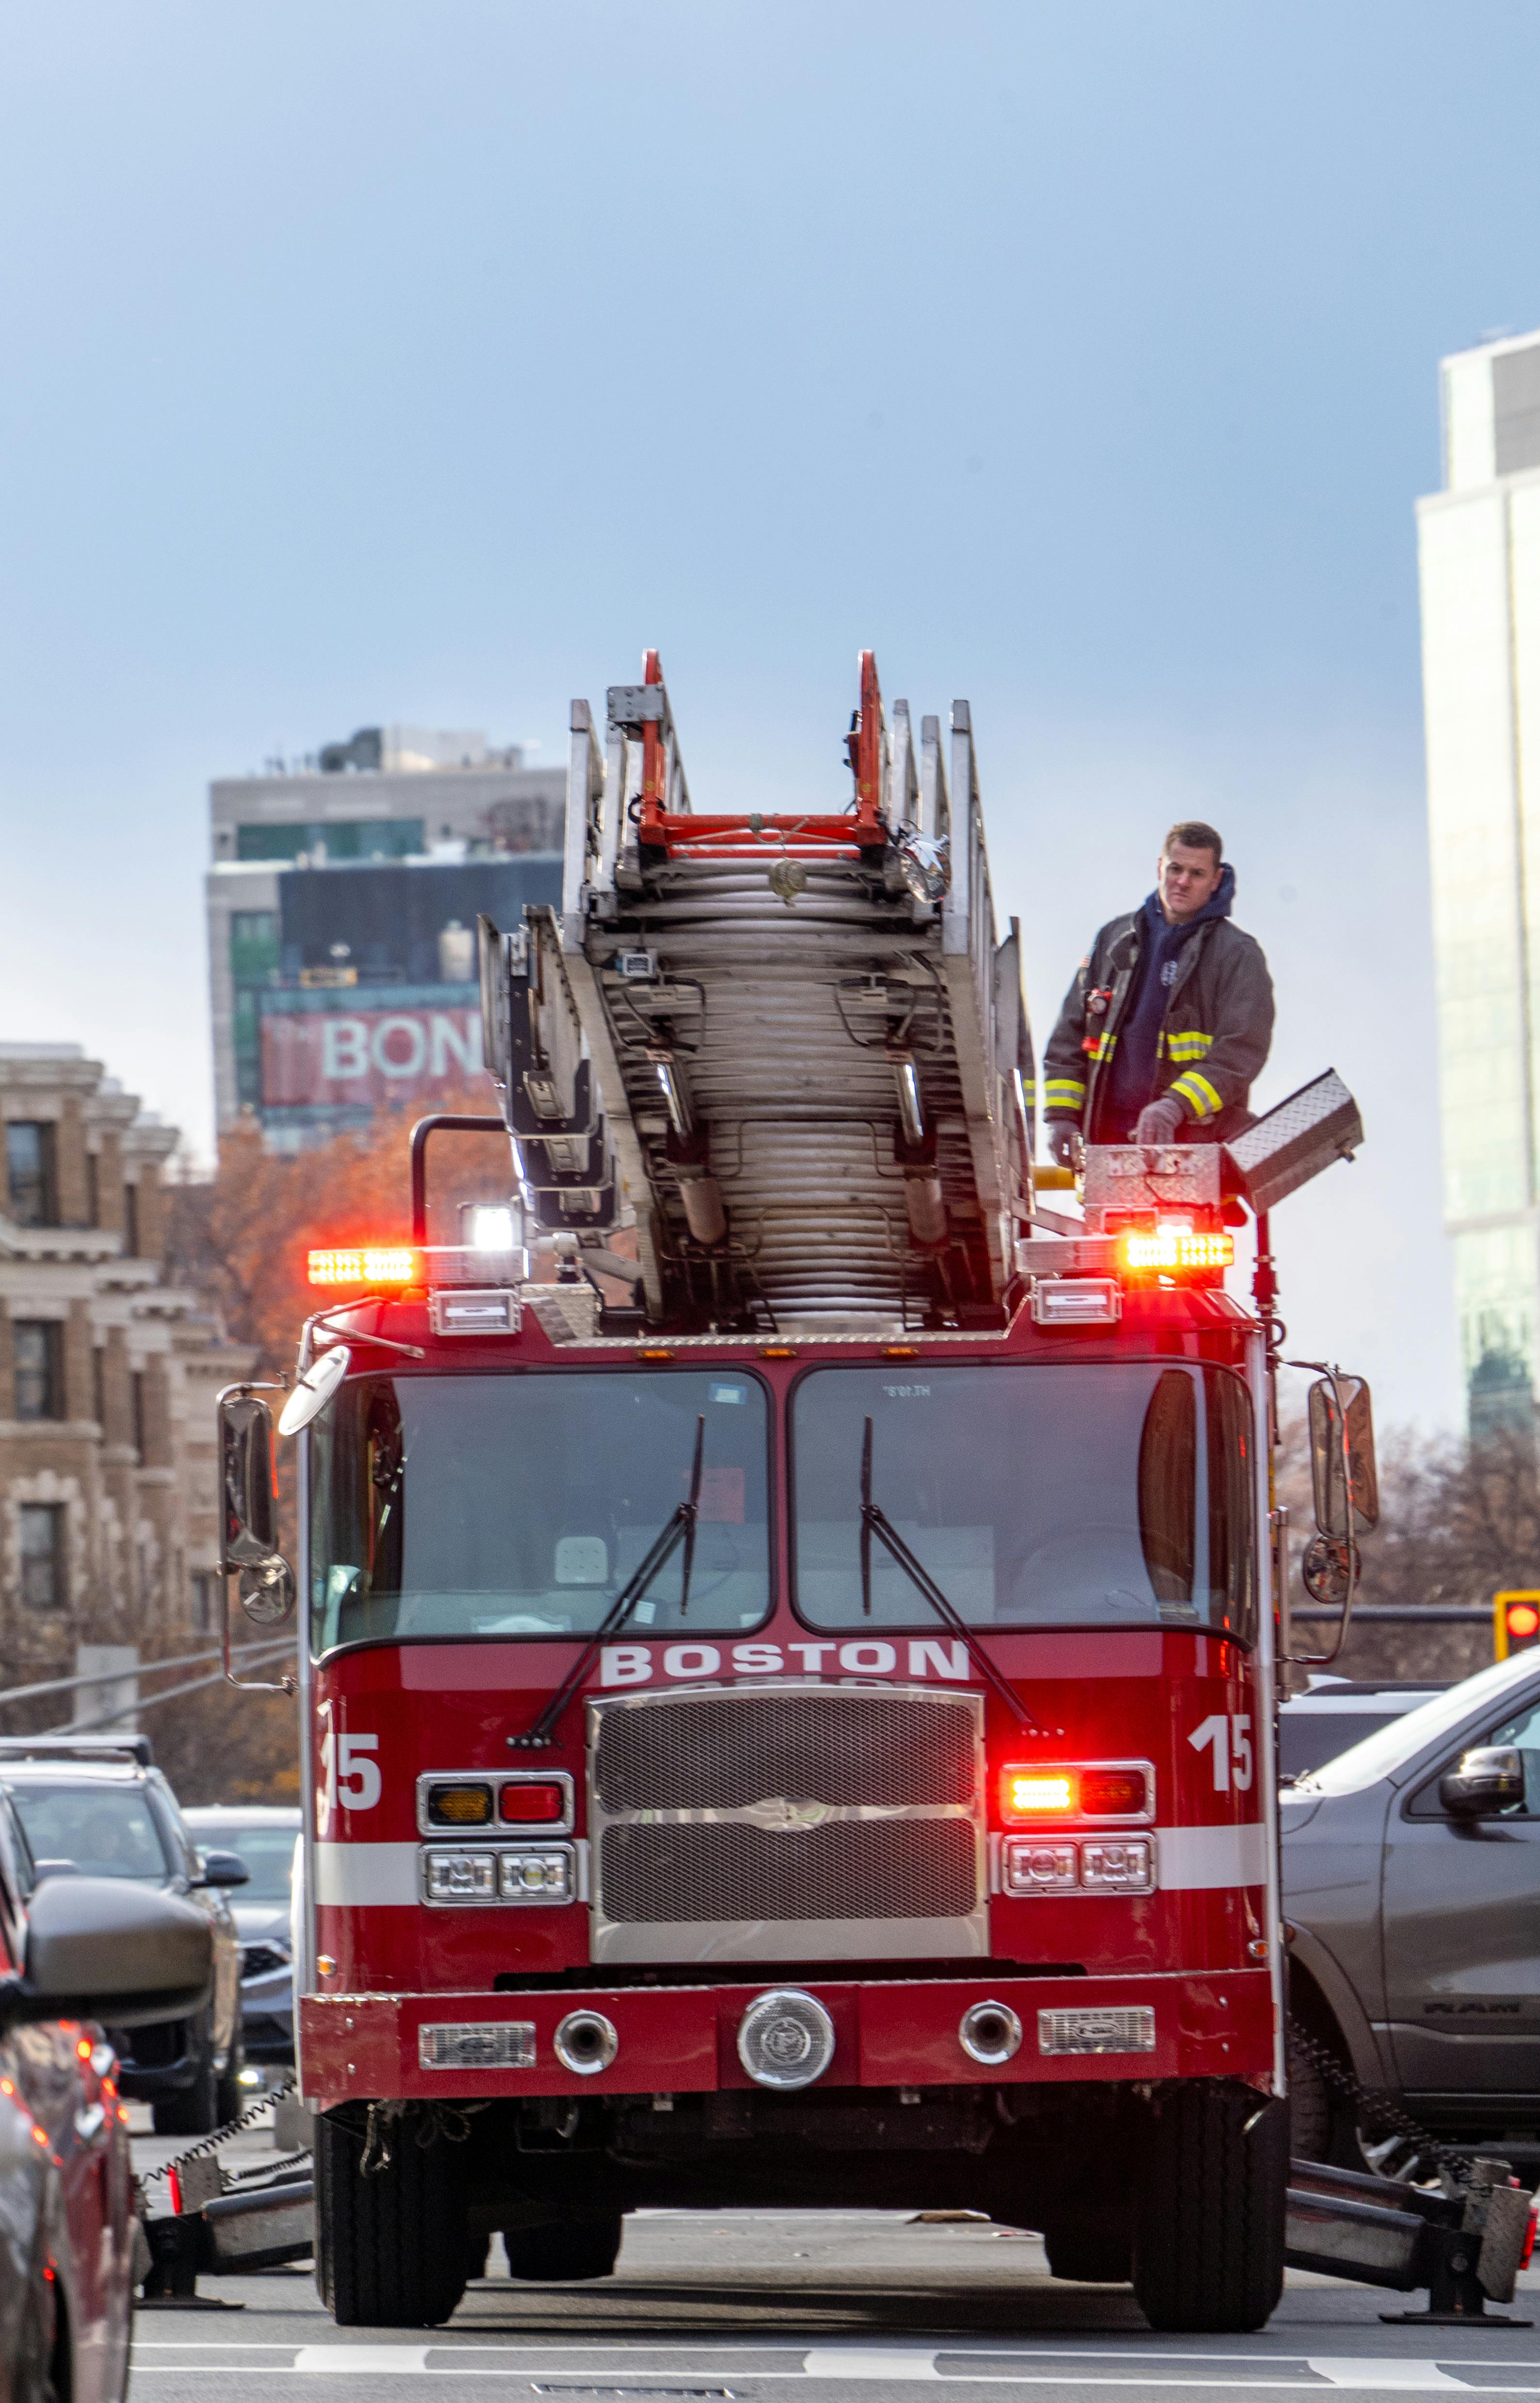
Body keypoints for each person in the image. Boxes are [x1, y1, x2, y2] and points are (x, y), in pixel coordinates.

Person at [1042, 821, 1274, 1162]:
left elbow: (1240, 1051)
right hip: (1104, 1139)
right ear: (1159, 867)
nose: (1182, 882)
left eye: (1196, 873)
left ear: (1215, 880)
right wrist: (1061, 1116)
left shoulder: (1237, 954)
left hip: (1189, 1145)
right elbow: (1070, 1034)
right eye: (1175, 868)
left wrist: (1174, 1105)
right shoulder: (1113, 938)